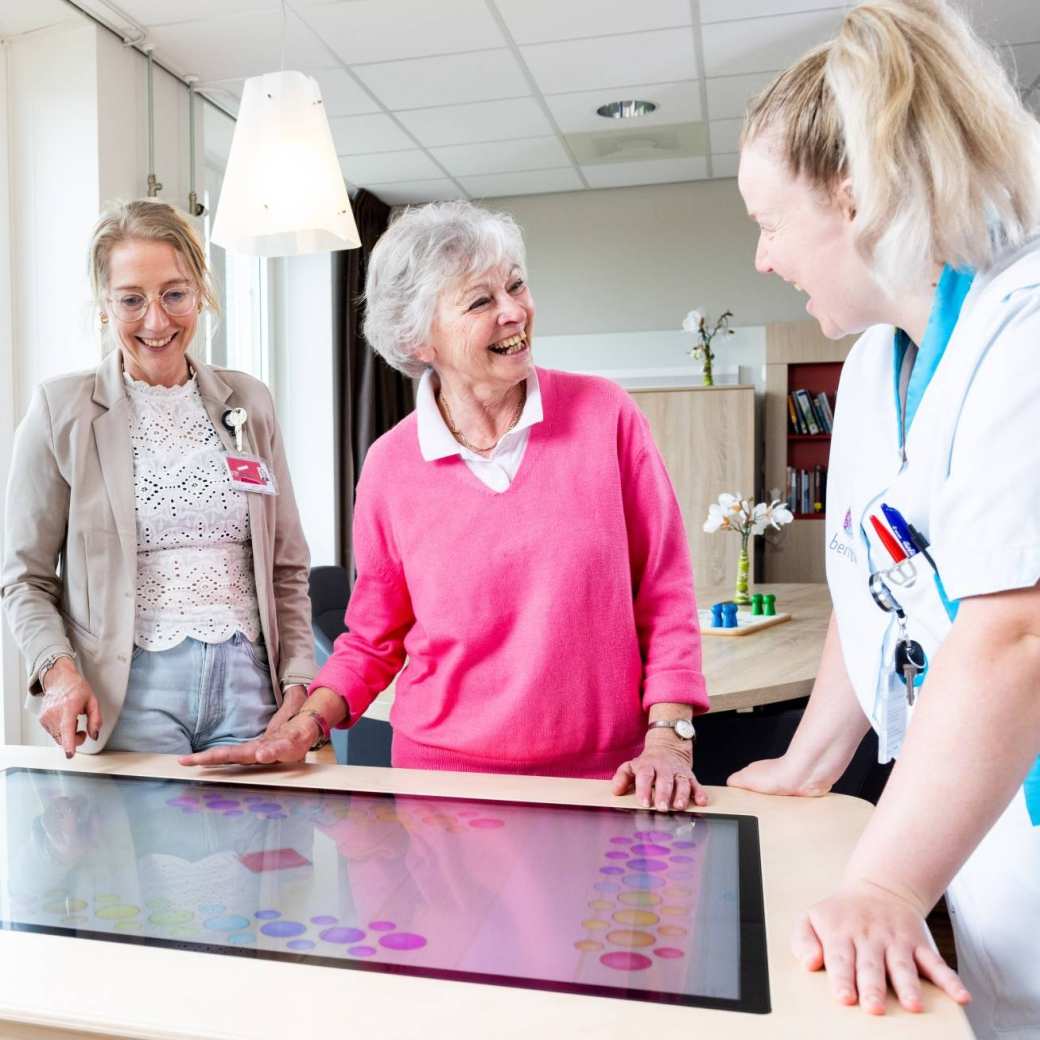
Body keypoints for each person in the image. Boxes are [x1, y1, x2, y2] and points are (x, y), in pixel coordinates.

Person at [728, 1, 1040, 1034]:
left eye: (770, 222)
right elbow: (878, 590)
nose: (764, 258)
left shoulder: (1023, 328)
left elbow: (1015, 632)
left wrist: (887, 885)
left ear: (852, 194)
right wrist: (813, 757)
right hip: (974, 803)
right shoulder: (871, 364)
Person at [183, 201, 709, 812]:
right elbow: (374, 638)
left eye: (515, 284)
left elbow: (664, 588)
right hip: (441, 787)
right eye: (480, 301)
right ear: (418, 338)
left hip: (602, 777)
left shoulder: (605, 415)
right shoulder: (389, 465)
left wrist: (670, 736)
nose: (513, 311)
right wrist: (309, 722)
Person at [1, 200, 315, 757]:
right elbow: (25, 579)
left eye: (174, 293)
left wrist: (296, 681)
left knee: (255, 842)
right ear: (104, 305)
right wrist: (57, 671)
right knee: (145, 844)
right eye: (131, 300)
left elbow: (286, 565)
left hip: (251, 688)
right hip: (128, 690)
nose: (156, 320)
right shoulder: (61, 410)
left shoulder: (249, 401)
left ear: (200, 292)